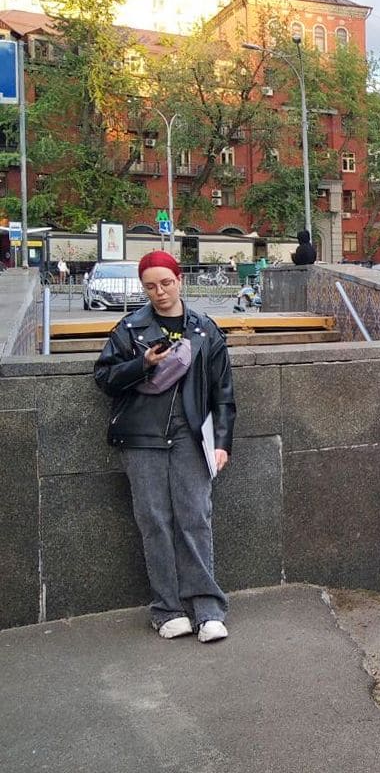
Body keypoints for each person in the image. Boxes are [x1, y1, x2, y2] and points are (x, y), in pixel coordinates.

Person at [93, 250, 236, 644]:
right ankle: (167, 609)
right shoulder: (130, 328)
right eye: (151, 286)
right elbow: (104, 377)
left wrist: (222, 442)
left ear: (180, 280)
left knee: (195, 517)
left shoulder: (204, 329)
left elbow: (223, 392)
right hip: (141, 436)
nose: (160, 292)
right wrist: (143, 364)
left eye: (166, 283)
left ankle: (207, 609)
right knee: (154, 521)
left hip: (191, 435)